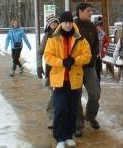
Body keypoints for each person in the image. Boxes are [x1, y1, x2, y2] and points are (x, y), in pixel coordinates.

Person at [44, 11, 91, 148]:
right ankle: (60, 138)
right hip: (60, 80)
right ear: (61, 23)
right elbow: (48, 56)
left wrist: (74, 60)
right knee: (60, 109)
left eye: (70, 22)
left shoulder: (80, 39)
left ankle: (69, 135)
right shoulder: (53, 39)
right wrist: (62, 62)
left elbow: (87, 55)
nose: (68, 25)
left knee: (72, 109)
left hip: (74, 80)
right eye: (65, 22)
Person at [74, 3, 101, 136]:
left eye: (91, 10)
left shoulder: (92, 27)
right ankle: (78, 124)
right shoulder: (72, 26)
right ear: (80, 11)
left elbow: (96, 44)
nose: (91, 13)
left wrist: (93, 59)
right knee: (76, 96)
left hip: (89, 66)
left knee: (95, 93)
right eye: (88, 10)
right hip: (76, 67)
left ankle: (90, 116)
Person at [37, 14, 59, 129]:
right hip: (50, 70)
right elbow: (40, 52)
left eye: (56, 22)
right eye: (52, 23)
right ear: (48, 25)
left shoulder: (64, 34)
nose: (54, 25)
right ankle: (51, 117)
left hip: (63, 69)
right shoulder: (47, 36)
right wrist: (39, 66)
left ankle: (62, 118)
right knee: (52, 95)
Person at [93, 16, 110, 81]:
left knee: (98, 71)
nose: (99, 27)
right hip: (93, 56)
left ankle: (98, 84)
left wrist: (104, 48)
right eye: (98, 25)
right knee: (94, 71)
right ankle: (94, 84)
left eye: (100, 26)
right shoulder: (92, 33)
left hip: (99, 56)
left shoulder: (102, 34)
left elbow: (107, 41)